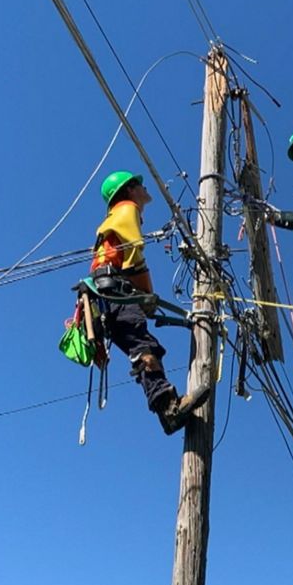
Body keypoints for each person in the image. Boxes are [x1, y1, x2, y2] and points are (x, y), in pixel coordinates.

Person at [89, 170, 202, 435]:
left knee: (143, 346)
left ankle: (167, 409)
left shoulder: (114, 217)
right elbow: (134, 254)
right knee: (143, 347)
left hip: (106, 297)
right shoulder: (126, 208)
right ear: (129, 190)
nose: (144, 188)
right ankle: (169, 410)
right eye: (139, 184)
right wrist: (147, 295)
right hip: (113, 292)